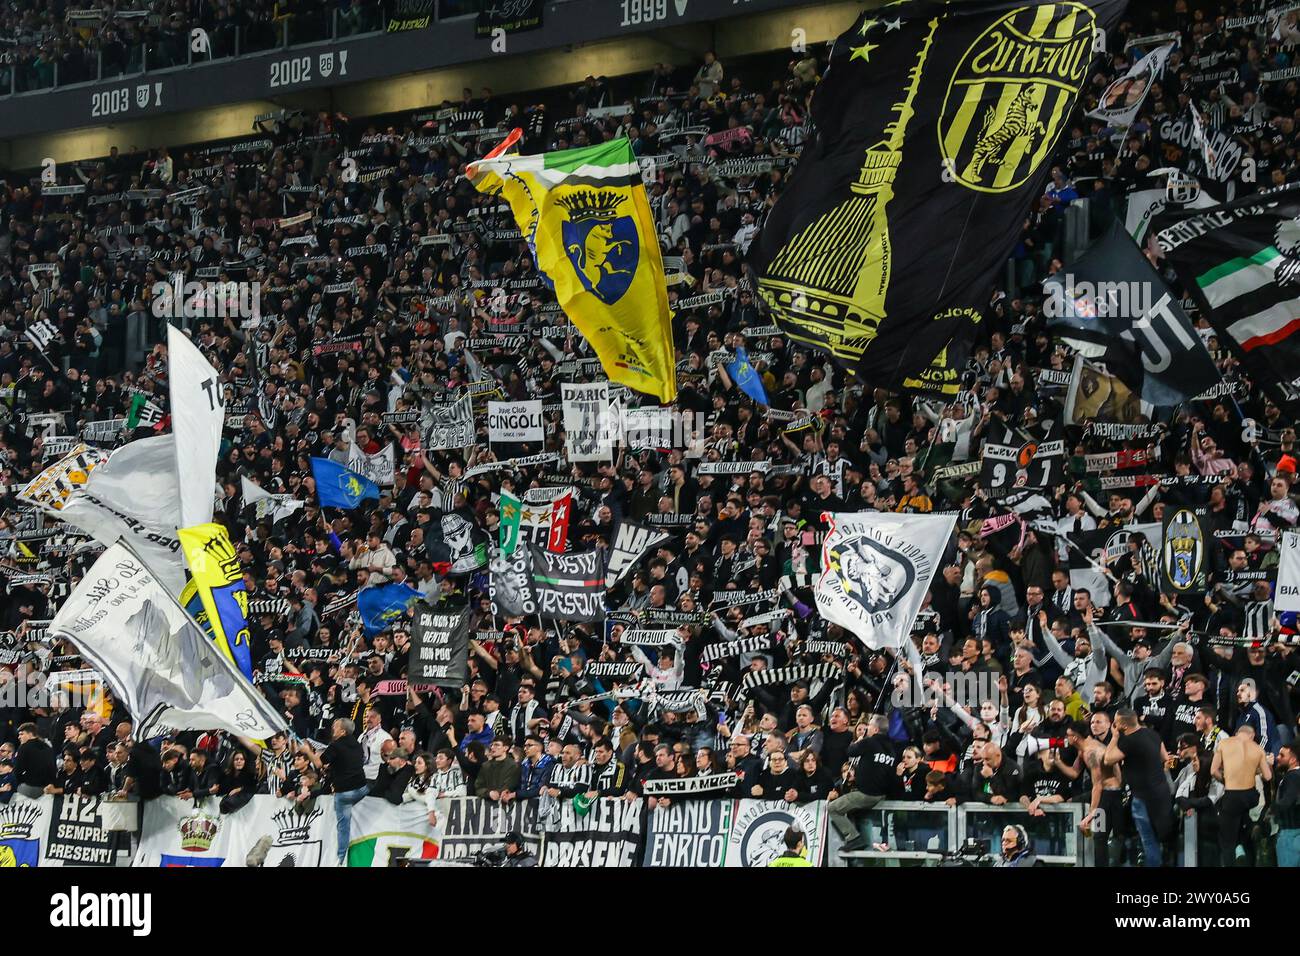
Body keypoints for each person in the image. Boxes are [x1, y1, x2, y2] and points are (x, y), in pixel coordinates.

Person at [1104, 709, 1173, 866]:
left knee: (1149, 840)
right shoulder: (1152, 734)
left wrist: (1114, 737)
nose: (1114, 724)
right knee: (1161, 837)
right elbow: (1165, 758)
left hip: (1143, 797)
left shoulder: (1129, 740)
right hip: (1162, 793)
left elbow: (1108, 759)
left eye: (1115, 721)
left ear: (1122, 725)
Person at [299, 718, 368, 865]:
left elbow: (318, 763)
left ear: (343, 731)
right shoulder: (357, 744)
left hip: (344, 793)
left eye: (335, 727)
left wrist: (307, 751)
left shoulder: (335, 745)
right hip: (362, 789)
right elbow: (347, 762)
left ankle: (341, 859)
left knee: (343, 827)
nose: (332, 729)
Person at [829, 715, 894, 851]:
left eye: (869, 726)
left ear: (875, 730)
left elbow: (850, 751)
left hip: (866, 794)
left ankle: (853, 838)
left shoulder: (869, 742)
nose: (866, 729)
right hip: (882, 794)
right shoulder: (892, 748)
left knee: (833, 808)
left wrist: (858, 741)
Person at [1211, 725, 1272, 866]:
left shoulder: (1224, 743)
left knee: (1227, 843)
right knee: (1245, 834)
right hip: (1250, 797)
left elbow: (1213, 770)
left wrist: (1226, 780)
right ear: (1252, 735)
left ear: (1238, 733)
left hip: (1232, 796)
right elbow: (1268, 776)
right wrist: (1253, 770)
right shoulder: (1258, 749)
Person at [1275, 743, 1300, 867]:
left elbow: (1287, 801)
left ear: (1293, 760)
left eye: (1282, 755)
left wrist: (1274, 809)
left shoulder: (1293, 776)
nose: (1277, 757)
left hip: (1290, 833)